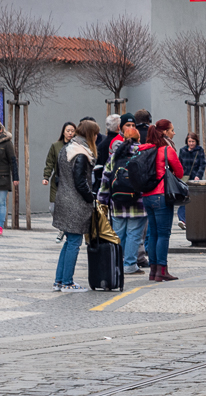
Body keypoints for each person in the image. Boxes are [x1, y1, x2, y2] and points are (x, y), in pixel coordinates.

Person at [52, 119, 100, 292]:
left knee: (68, 242)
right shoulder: (81, 153)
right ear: (89, 134)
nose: (96, 137)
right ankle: (67, 282)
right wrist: (90, 198)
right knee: (74, 242)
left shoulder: (67, 148)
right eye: (95, 134)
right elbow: (80, 182)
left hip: (64, 199)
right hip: (75, 203)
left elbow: (59, 176)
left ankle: (59, 281)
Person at [98, 116, 147, 274]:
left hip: (117, 202)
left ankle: (117, 262)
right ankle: (130, 264)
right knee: (134, 234)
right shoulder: (143, 153)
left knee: (118, 233)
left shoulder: (115, 155)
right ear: (138, 138)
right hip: (138, 202)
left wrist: (102, 200)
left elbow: (106, 178)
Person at [141, 119, 184, 282]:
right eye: (171, 129)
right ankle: (162, 270)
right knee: (163, 234)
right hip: (161, 195)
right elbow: (179, 172)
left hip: (146, 196)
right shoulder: (166, 150)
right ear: (164, 132)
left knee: (153, 234)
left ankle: (153, 271)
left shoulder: (144, 149)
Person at [43, 122, 77, 241]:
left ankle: (64, 229)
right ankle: (62, 227)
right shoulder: (56, 146)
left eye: (72, 131)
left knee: (68, 207)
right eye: (68, 130)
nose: (70, 133)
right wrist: (46, 177)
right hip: (57, 181)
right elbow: (50, 162)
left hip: (71, 182)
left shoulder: (77, 146)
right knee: (53, 207)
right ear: (63, 132)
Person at [176, 133, 205, 229]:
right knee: (184, 199)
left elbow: (202, 165)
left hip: (194, 179)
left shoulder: (199, 151)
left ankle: (188, 219)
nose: (191, 143)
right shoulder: (183, 150)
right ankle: (182, 220)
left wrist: (198, 176)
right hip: (184, 179)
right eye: (189, 141)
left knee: (192, 199)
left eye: (193, 141)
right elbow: (179, 164)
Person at [0, 119, 16, 235]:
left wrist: (16, 177)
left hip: (3, 177)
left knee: (1, 202)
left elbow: (13, 161)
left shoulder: (7, 143)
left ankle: (0, 226)